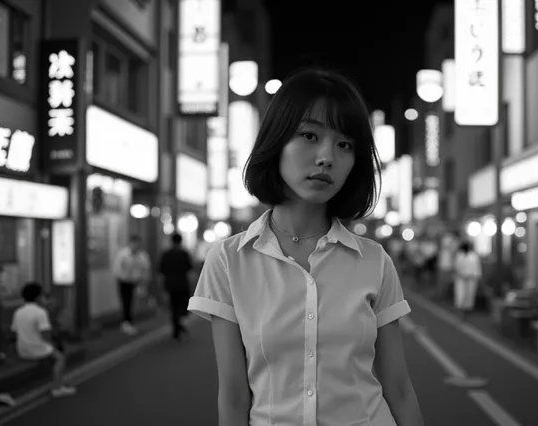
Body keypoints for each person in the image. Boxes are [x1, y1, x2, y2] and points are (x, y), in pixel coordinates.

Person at [188, 68, 424, 425]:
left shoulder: (374, 260)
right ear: (276, 141)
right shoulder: (228, 260)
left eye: (344, 144)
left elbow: (399, 387)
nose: (327, 156)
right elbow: (234, 397)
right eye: (309, 135)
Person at [0, 282, 76, 405]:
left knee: (53, 353)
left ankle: (59, 384)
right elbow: (46, 334)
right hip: (38, 348)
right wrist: (53, 345)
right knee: (60, 358)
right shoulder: (40, 312)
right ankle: (57, 388)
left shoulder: (18, 312)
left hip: (22, 348)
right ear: (38, 297)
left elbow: (13, 333)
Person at [113, 235, 151, 335]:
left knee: (133, 303)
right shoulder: (123, 255)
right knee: (126, 302)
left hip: (136, 282)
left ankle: (129, 322)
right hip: (124, 282)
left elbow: (146, 269)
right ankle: (126, 322)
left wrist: (143, 281)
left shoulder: (142, 256)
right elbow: (117, 269)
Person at [159, 233, 194, 340]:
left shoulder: (166, 254)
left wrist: (162, 288)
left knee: (173, 307)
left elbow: (161, 273)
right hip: (183, 285)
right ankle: (179, 325)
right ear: (181, 241)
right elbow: (190, 272)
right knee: (183, 307)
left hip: (170, 285)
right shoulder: (185, 254)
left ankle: (176, 329)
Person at [453, 241, 482, 321]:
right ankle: (460, 311)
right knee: (460, 295)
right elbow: (456, 266)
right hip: (461, 278)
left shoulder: (474, 256)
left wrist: (477, 276)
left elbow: (477, 267)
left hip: (471, 278)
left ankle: (466, 312)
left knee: (469, 295)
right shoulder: (460, 255)